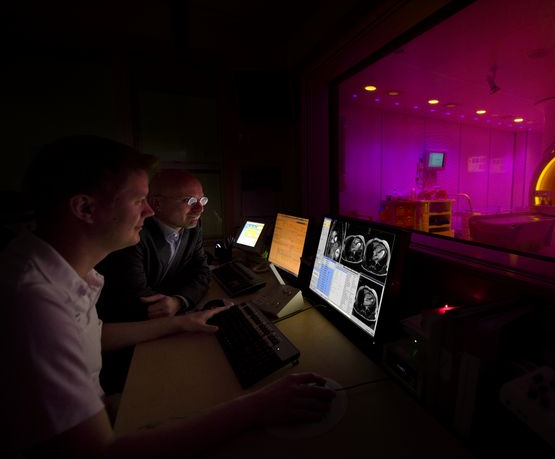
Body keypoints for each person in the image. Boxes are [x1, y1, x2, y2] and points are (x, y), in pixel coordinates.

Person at [0, 135, 334, 459]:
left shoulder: (54, 268)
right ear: (85, 208)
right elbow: (103, 453)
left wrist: (180, 321)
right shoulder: (33, 300)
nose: (148, 212)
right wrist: (260, 406)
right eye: (137, 201)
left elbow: (92, 335)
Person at [96, 169, 211, 323]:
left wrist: (178, 301)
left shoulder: (193, 227)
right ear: (157, 203)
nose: (200, 209)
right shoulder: (134, 233)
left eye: (202, 200)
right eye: (189, 201)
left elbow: (201, 272)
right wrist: (171, 306)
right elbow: (137, 297)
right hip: (124, 323)